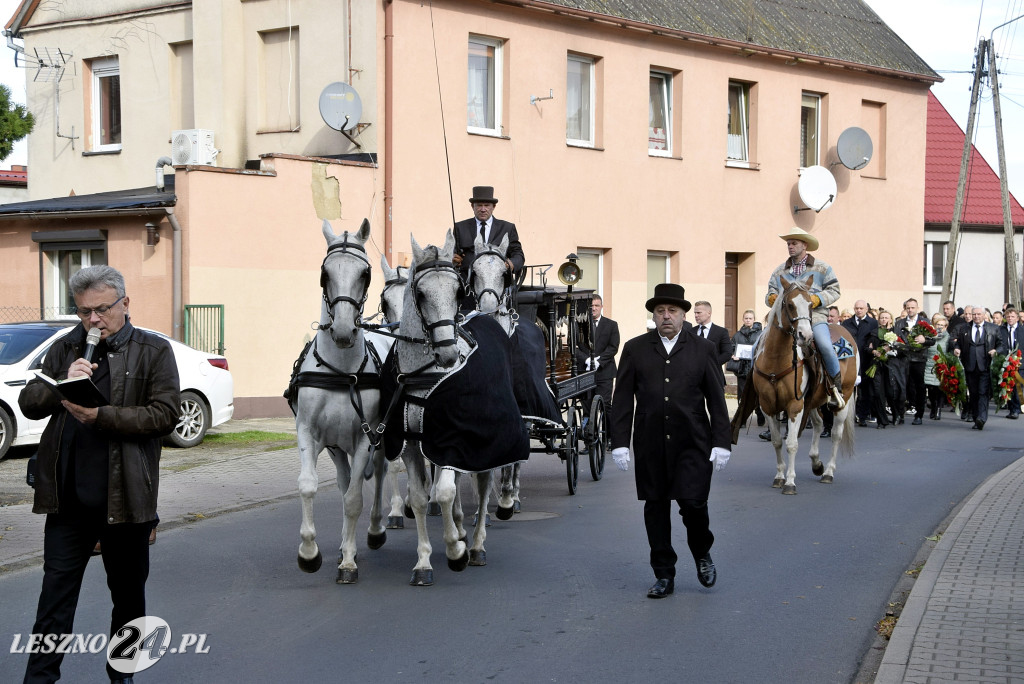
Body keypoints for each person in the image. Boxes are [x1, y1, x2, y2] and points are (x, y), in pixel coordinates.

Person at [18, 265, 180, 684]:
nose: (93, 321)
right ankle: (39, 678)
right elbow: (30, 403)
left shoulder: (153, 350)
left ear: (125, 303)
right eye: (84, 312)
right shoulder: (68, 346)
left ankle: (121, 676)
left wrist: (101, 416)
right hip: (68, 500)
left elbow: (165, 415)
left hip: (126, 500)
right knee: (54, 599)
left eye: (102, 310)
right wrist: (59, 382)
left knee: (128, 601)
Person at [609, 283, 730, 598]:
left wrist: (722, 441)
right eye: (660, 311)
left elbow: (717, 399)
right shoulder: (635, 349)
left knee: (693, 504)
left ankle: (702, 552)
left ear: (683, 314)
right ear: (653, 314)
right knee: (656, 508)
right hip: (650, 443)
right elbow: (621, 399)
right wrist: (619, 442)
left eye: (672, 311)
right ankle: (664, 574)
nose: (666, 316)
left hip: (693, 442)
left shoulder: (703, 349)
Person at [765, 227, 845, 409]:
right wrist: (771, 298)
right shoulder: (779, 271)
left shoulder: (823, 268)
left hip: (814, 316)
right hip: (785, 320)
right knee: (758, 347)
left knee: (824, 344)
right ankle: (760, 391)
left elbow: (835, 290)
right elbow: (770, 291)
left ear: (804, 245)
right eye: (788, 244)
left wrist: (818, 299)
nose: (790, 247)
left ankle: (835, 388)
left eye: (794, 243)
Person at [451, 186, 525, 308]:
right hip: (468, 290)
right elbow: (452, 253)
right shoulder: (460, 227)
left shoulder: (507, 228)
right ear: (472, 207)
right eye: (479, 205)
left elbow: (519, 255)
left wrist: (511, 264)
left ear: (493, 207)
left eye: (487, 205)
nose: (483, 209)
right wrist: (453, 259)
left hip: (498, 288)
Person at [952, 304, 1006, 430]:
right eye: (974, 314)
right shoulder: (964, 328)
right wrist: (957, 349)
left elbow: (1001, 345)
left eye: (978, 314)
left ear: (983, 315)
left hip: (985, 366)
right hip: (970, 366)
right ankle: (977, 418)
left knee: (983, 392)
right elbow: (958, 343)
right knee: (974, 393)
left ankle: (982, 418)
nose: (976, 317)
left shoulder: (993, 328)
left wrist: (995, 351)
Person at [894, 298, 935, 425]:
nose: (910, 310)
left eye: (913, 307)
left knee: (919, 388)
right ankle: (900, 414)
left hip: (919, 359)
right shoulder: (899, 323)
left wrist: (924, 340)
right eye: (908, 308)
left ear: (917, 308)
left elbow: (932, 340)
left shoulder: (924, 322)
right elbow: (895, 339)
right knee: (902, 386)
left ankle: (919, 415)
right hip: (904, 358)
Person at [575, 294, 620, 409]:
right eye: (591, 306)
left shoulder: (612, 325)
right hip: (585, 371)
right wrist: (586, 359)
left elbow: (613, 347)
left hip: (604, 371)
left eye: (596, 305)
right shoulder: (578, 324)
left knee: (605, 405)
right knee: (586, 406)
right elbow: (573, 346)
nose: (593, 308)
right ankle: (588, 427)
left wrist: (598, 361)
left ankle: (607, 427)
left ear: (601, 307)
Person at [841, 299, 878, 427]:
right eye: (856, 308)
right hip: (850, 360)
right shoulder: (847, 323)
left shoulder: (873, 323)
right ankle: (848, 415)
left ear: (866, 309)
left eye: (861, 308)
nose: (859, 310)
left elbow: (875, 339)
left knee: (865, 389)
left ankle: (862, 416)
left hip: (866, 359)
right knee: (849, 388)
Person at [730, 309, 764, 427]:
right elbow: (731, 347)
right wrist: (733, 355)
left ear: (754, 319)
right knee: (742, 395)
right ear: (743, 319)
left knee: (758, 394)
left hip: (757, 369)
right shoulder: (737, 335)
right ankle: (742, 419)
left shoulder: (761, 334)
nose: (748, 320)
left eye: (750, 318)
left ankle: (760, 414)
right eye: (746, 318)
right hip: (742, 369)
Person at [691, 300, 733, 385]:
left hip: (714, 376)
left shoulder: (721, 332)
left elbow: (727, 353)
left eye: (699, 313)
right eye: (695, 313)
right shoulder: (690, 332)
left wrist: (711, 364)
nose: (696, 315)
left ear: (709, 313)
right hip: (694, 377)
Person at [923, 313, 950, 420]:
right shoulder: (930, 336)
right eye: (937, 324)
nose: (939, 327)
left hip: (941, 365)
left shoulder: (948, 338)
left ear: (946, 327)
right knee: (931, 388)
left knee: (940, 388)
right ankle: (933, 406)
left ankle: (938, 408)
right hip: (930, 364)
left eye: (942, 325)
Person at [1001, 307, 1021, 419]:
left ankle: (1016, 409)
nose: (1010, 318)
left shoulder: (1022, 330)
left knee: (1018, 385)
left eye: (1012, 316)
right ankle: (1012, 408)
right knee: (1009, 386)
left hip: (1020, 362)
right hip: (1006, 362)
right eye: (1008, 316)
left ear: (1017, 318)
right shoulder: (1001, 329)